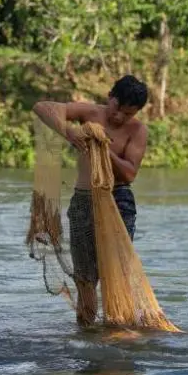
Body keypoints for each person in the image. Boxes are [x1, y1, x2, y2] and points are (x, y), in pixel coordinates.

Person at [31, 74, 150, 327]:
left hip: (117, 200)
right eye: (117, 108)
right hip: (84, 200)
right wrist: (69, 132)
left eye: (127, 114)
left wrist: (103, 147)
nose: (118, 117)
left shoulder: (137, 131)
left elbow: (129, 172)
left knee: (117, 272)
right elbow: (42, 107)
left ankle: (117, 329)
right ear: (110, 96)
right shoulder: (90, 113)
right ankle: (86, 332)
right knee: (85, 276)